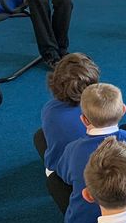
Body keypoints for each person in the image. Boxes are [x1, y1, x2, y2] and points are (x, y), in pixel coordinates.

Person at [57, 84, 126, 223]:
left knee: (54, 182)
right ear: (123, 110)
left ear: (84, 120)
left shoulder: (73, 149)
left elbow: (63, 175)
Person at [33, 53, 100, 213]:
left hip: (73, 174)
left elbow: (54, 161)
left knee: (39, 136)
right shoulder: (103, 107)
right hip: (106, 170)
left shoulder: (49, 110)